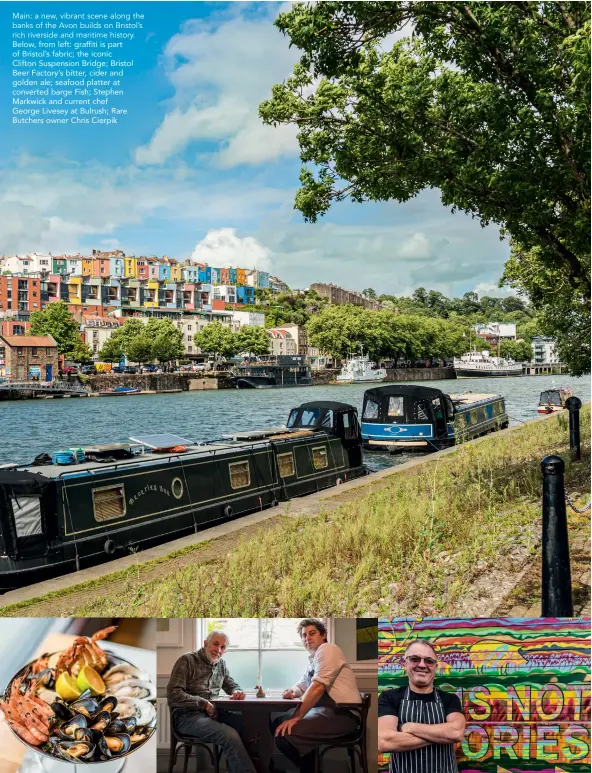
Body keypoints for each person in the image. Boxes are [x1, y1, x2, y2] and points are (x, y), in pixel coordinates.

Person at [272, 618, 362, 773]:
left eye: (312, 633)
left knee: (283, 733)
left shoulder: (328, 649)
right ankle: (311, 769)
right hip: (325, 712)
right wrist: (291, 692)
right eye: (304, 635)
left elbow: (318, 687)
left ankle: (310, 770)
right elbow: (302, 685)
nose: (307, 638)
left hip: (343, 715)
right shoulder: (313, 660)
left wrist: (296, 717)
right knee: (278, 722)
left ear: (323, 635)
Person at [167, 630, 256, 773]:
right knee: (229, 735)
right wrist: (203, 703)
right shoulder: (187, 660)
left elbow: (231, 685)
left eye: (223, 647)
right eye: (215, 644)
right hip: (186, 717)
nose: (218, 650)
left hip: (215, 714)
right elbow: (173, 693)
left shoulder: (221, 665)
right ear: (205, 643)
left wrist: (236, 691)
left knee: (252, 726)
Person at [378, 638, 466, 773]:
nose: (422, 665)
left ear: (435, 667)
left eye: (429, 661)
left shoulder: (450, 699)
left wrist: (409, 727)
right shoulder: (389, 697)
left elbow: (456, 733)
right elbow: (384, 741)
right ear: (405, 663)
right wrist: (441, 735)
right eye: (415, 659)